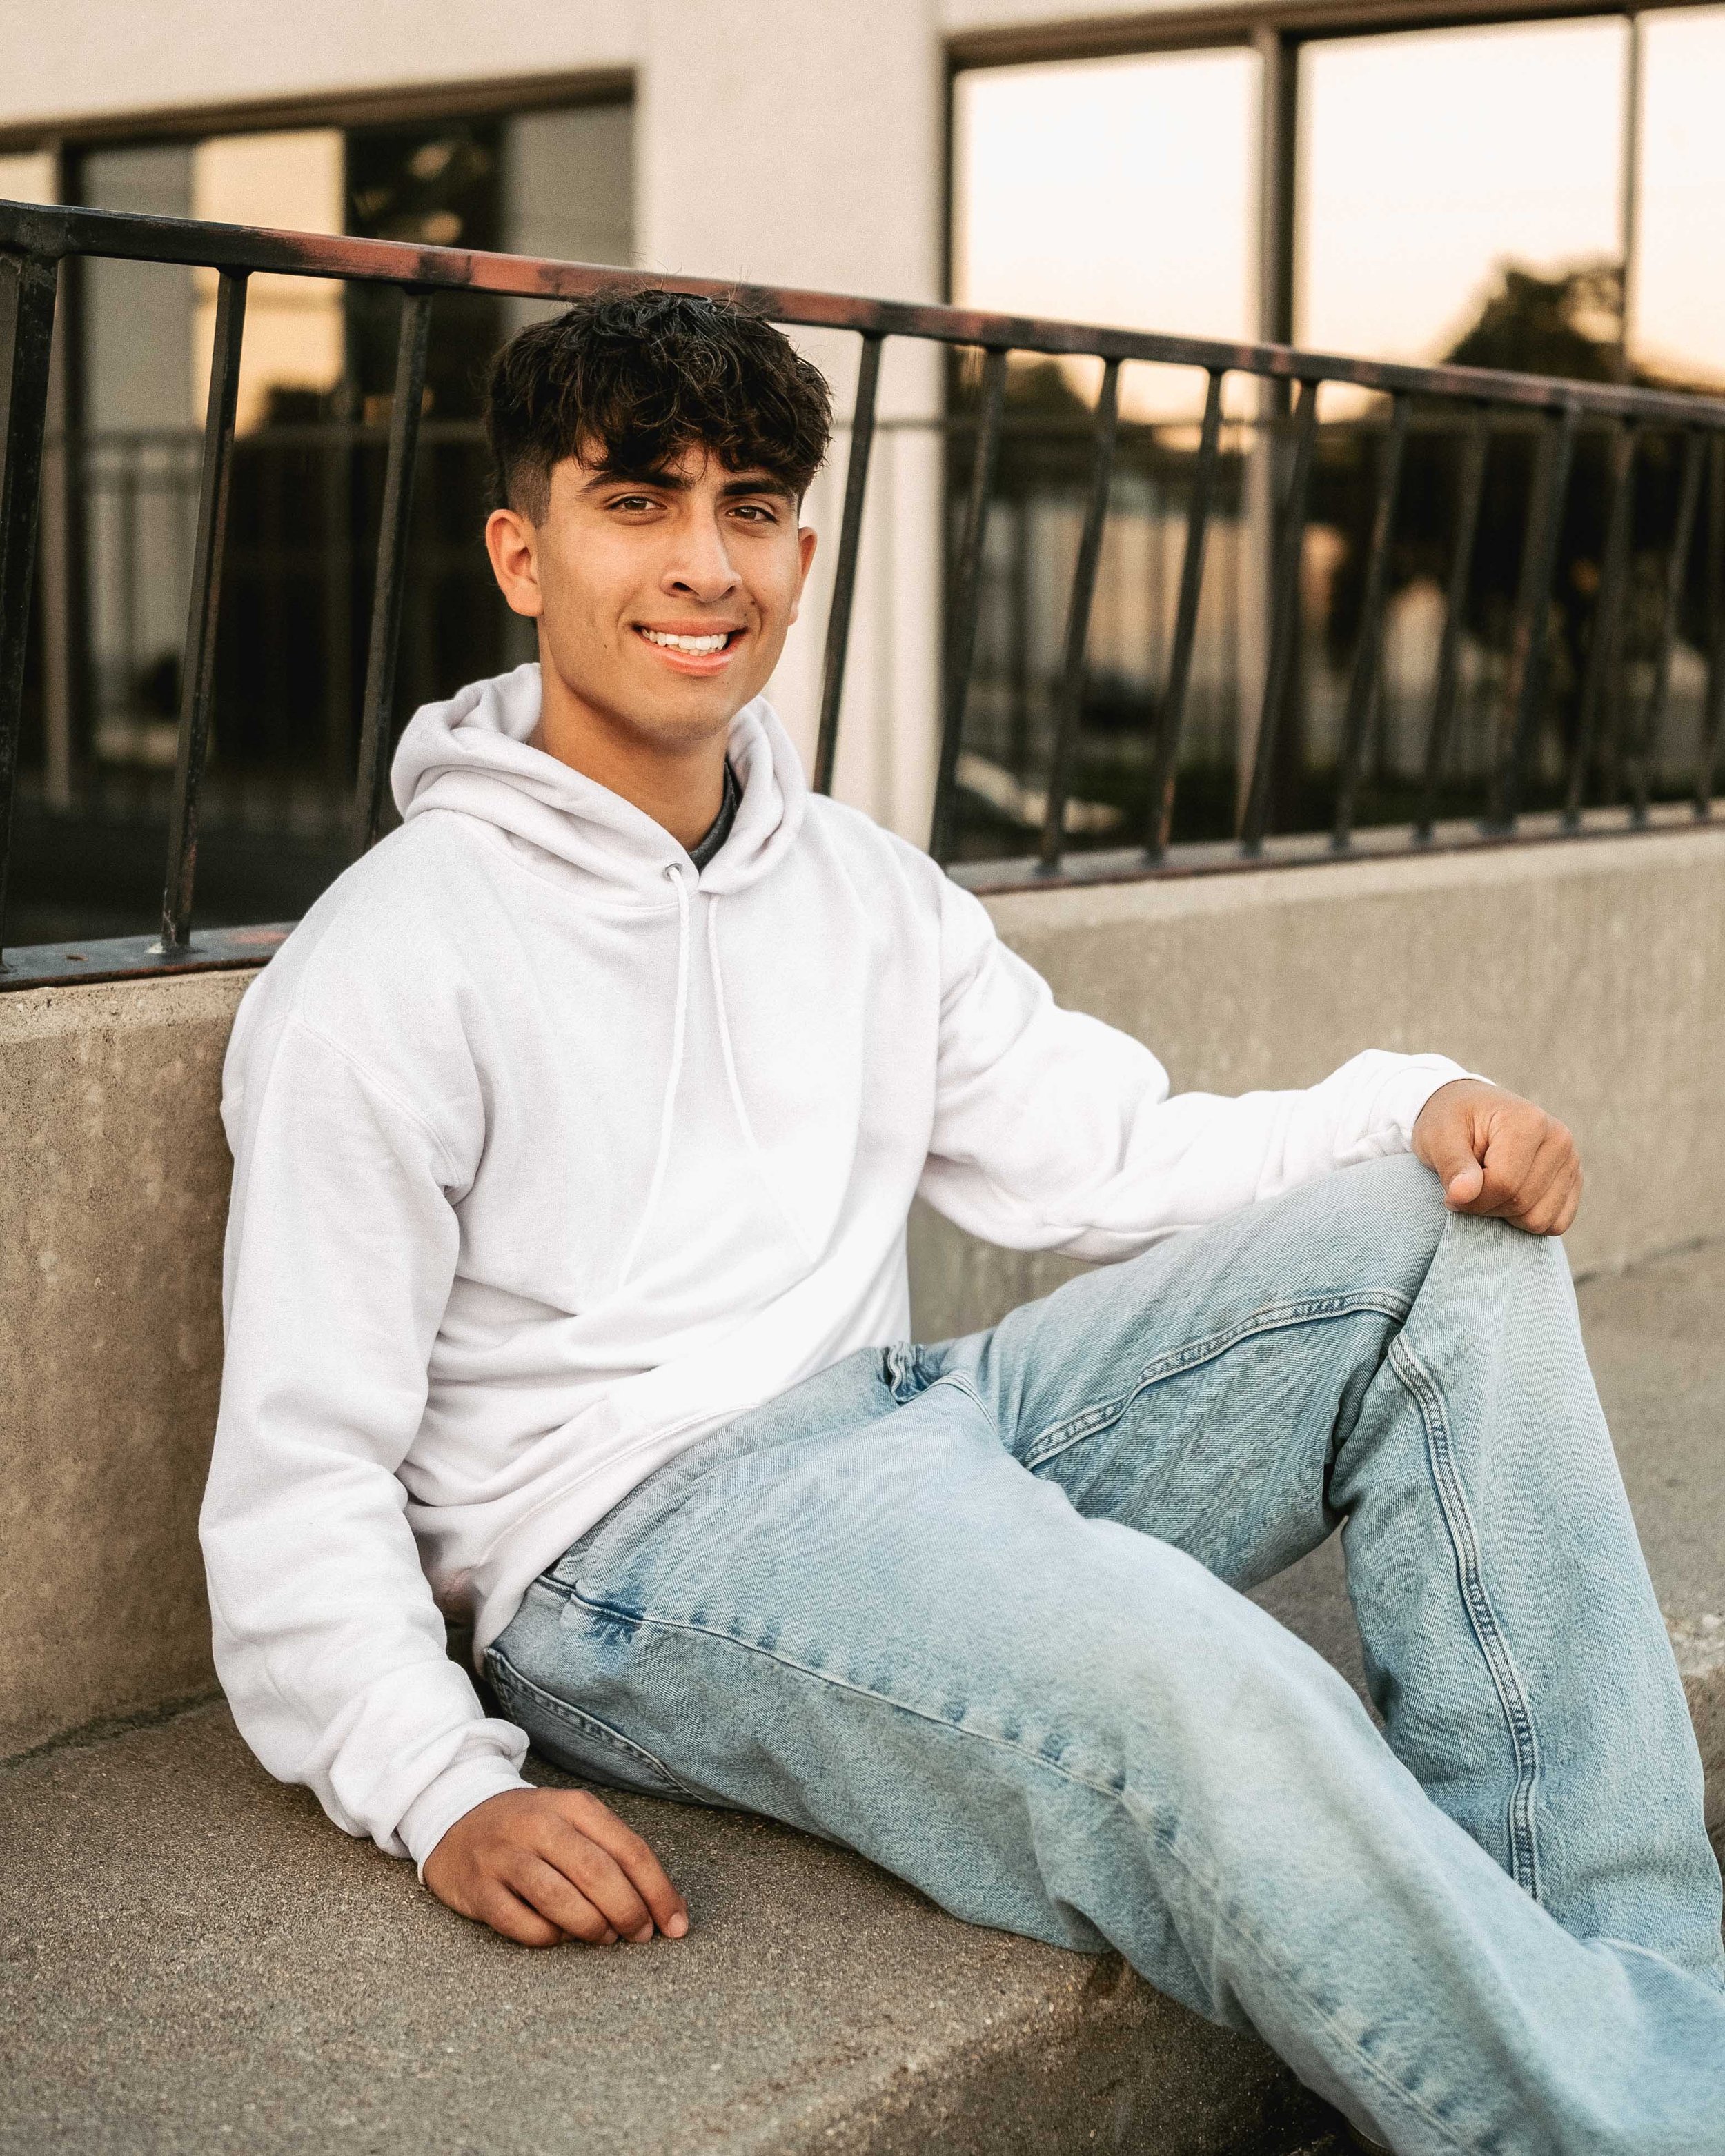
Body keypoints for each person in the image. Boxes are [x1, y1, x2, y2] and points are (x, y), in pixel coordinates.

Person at [201, 292, 1724, 2155]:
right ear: (522, 553)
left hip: (915, 1418)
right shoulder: (392, 961)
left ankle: (1658, 2033)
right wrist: (434, 1786)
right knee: (1201, 1684)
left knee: (1443, 1242)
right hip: (630, 1552)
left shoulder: (856, 886)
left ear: (804, 550)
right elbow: (298, 1471)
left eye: (750, 509)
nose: (703, 564)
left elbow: (1108, 1151)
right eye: (637, 502)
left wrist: (1408, 1109)